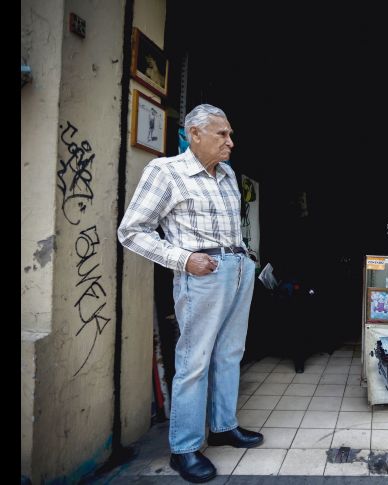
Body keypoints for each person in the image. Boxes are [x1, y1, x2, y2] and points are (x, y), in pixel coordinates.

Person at [118, 104, 262, 483]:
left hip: (237, 268)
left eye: (230, 134)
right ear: (194, 134)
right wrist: (184, 260)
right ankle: (184, 448)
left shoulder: (227, 173)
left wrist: (246, 260)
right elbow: (131, 231)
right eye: (222, 134)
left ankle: (223, 426)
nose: (230, 142)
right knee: (194, 360)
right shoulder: (166, 171)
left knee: (229, 353)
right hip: (202, 272)